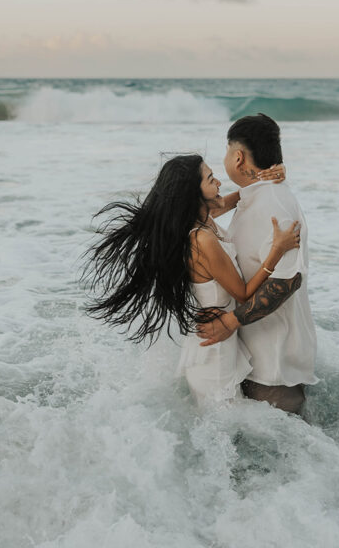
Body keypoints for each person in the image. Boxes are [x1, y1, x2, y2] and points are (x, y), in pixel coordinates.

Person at [81, 153, 300, 406]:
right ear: (192, 193)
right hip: (214, 350)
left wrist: (272, 176)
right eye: (210, 179)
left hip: (217, 340)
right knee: (222, 430)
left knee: (224, 427)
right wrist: (277, 250)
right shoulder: (201, 239)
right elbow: (243, 293)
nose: (218, 182)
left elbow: (240, 198)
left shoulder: (204, 217)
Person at [197, 114, 318, 415]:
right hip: (249, 358)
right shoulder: (255, 198)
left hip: (273, 365)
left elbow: (288, 281)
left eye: (226, 151)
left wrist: (231, 322)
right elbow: (206, 211)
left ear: (238, 158)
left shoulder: (273, 204)